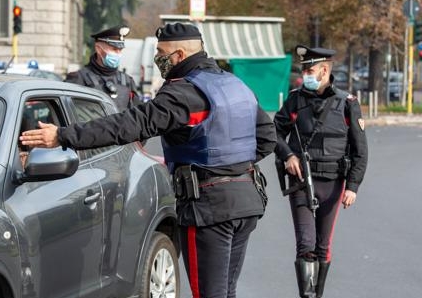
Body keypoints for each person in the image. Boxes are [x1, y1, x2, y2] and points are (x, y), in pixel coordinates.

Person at [21, 22, 276, 298]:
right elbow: (266, 136)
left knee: (210, 294)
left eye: (161, 53)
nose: (157, 59)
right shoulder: (234, 84)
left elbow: (130, 125)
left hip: (209, 208)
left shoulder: (182, 94)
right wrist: (232, 166)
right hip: (246, 202)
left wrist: (63, 135)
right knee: (226, 291)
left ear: (178, 56)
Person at [273, 45, 368, 298]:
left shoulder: (347, 104)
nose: (305, 74)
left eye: (310, 69)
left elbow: (361, 150)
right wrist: (288, 155)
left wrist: (352, 187)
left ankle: (318, 294)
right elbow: (274, 132)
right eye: (304, 70)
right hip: (301, 182)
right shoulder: (295, 99)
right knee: (305, 245)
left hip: (333, 184)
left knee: (322, 245)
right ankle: (306, 295)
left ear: (324, 70)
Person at [65, 25, 141, 111]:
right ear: (98, 49)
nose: (118, 54)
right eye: (114, 49)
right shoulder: (78, 78)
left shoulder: (128, 81)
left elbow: (136, 117)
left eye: (120, 50)